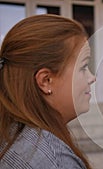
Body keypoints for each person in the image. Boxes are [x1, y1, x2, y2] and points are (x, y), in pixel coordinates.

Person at [0, 14, 96, 168]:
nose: (92, 78)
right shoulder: (55, 160)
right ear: (46, 81)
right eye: (83, 67)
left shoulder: (12, 135)